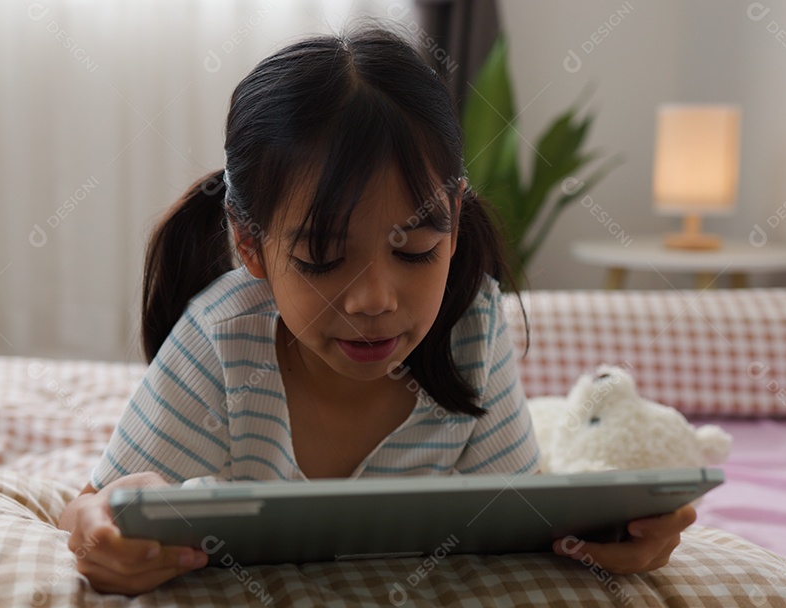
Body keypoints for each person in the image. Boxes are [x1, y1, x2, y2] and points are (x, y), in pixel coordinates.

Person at [58, 25, 694, 596]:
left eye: (417, 251)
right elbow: (96, 509)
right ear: (249, 245)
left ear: (455, 218)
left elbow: (516, 518)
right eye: (322, 259)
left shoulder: (472, 324)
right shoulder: (222, 339)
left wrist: (618, 538)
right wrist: (100, 536)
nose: (375, 302)